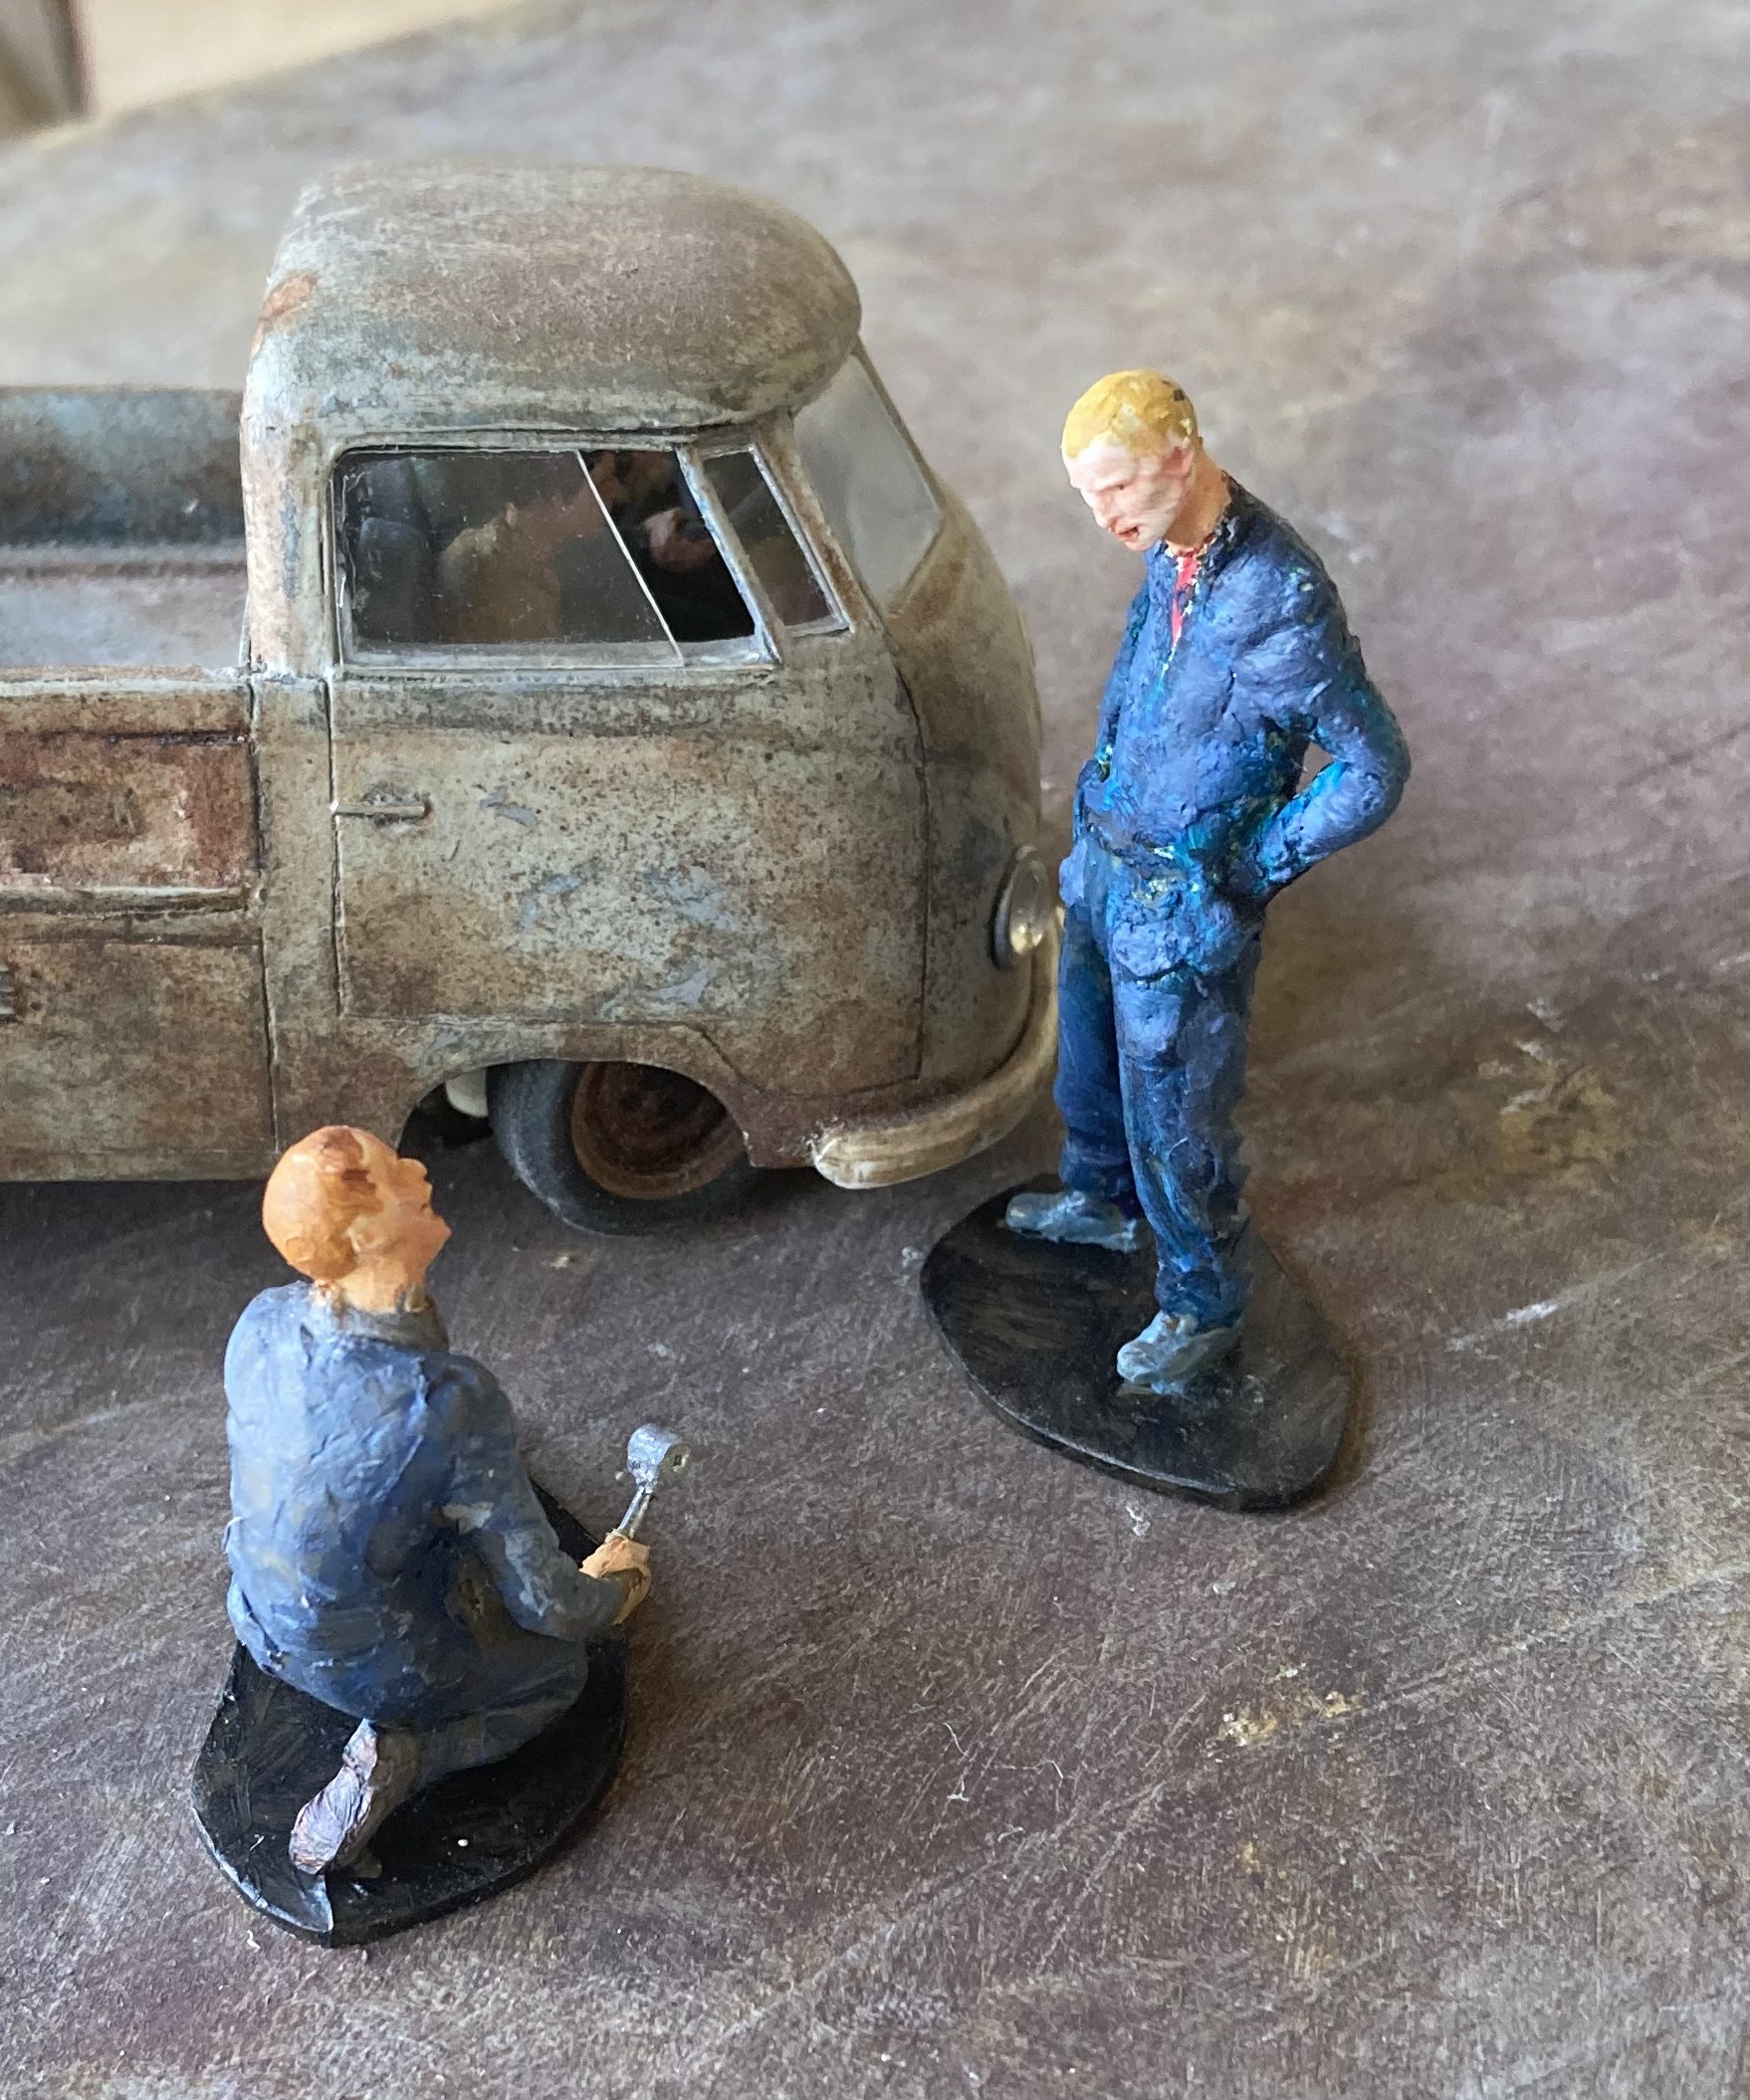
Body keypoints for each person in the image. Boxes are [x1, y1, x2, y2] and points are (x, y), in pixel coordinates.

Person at [1007, 370, 1410, 1388]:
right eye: (1088, 496)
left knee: (1177, 1118)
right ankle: (1099, 1197)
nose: (1104, 518)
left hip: (1182, 908)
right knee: (1086, 1061)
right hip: (1107, 866)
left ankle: (1203, 1300)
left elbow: (1372, 767)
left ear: (1180, 460)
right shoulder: (1170, 551)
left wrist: (1252, 866)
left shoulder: (1280, 596)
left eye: (1118, 489)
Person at [222, 1125, 650, 1876]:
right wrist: (611, 1592)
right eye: (395, 1176)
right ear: (363, 1235)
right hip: (372, 1661)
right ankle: (411, 1753)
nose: (420, 1173)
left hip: (256, 1616)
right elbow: (547, 1605)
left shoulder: (263, 1321)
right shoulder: (449, 1404)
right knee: (557, 1678)